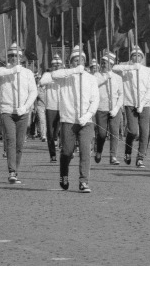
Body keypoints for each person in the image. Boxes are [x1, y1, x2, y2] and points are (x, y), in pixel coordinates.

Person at [51, 50, 99, 193]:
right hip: (69, 120)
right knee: (67, 151)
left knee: (85, 151)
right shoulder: (65, 76)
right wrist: (72, 71)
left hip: (86, 121)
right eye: (75, 60)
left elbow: (95, 99)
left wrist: (88, 114)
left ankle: (83, 181)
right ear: (70, 62)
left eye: (81, 60)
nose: (79, 63)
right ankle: (64, 173)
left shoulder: (91, 79)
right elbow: (53, 75)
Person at [0, 44, 38, 184]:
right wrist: (11, 71)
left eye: (16, 56)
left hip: (22, 111)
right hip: (7, 111)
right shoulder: (4, 71)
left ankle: (16, 170)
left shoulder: (27, 73)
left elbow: (33, 91)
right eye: (11, 56)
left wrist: (26, 106)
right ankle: (11, 171)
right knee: (10, 140)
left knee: (19, 143)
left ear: (20, 57)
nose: (13, 58)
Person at [112, 47, 150, 168]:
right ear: (131, 58)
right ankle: (128, 149)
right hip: (130, 103)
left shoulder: (147, 71)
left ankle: (140, 157)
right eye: (134, 56)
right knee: (133, 131)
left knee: (144, 132)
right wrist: (131, 67)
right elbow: (114, 68)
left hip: (144, 105)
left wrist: (142, 103)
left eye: (139, 56)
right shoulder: (126, 68)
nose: (137, 58)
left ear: (142, 58)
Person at [94, 53, 124, 165]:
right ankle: (99, 150)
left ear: (111, 65)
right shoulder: (97, 75)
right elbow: (94, 84)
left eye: (105, 63)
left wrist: (116, 108)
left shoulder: (118, 78)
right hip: (101, 108)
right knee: (101, 134)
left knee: (114, 133)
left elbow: (121, 94)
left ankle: (113, 156)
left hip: (114, 109)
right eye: (102, 62)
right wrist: (106, 77)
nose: (102, 64)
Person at [39, 55, 63, 163]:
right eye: (55, 65)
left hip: (63, 106)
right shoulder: (48, 74)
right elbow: (42, 82)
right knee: (50, 131)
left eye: (58, 65)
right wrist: (54, 76)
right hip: (50, 106)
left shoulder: (64, 74)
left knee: (61, 129)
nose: (57, 67)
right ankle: (52, 154)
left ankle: (63, 148)